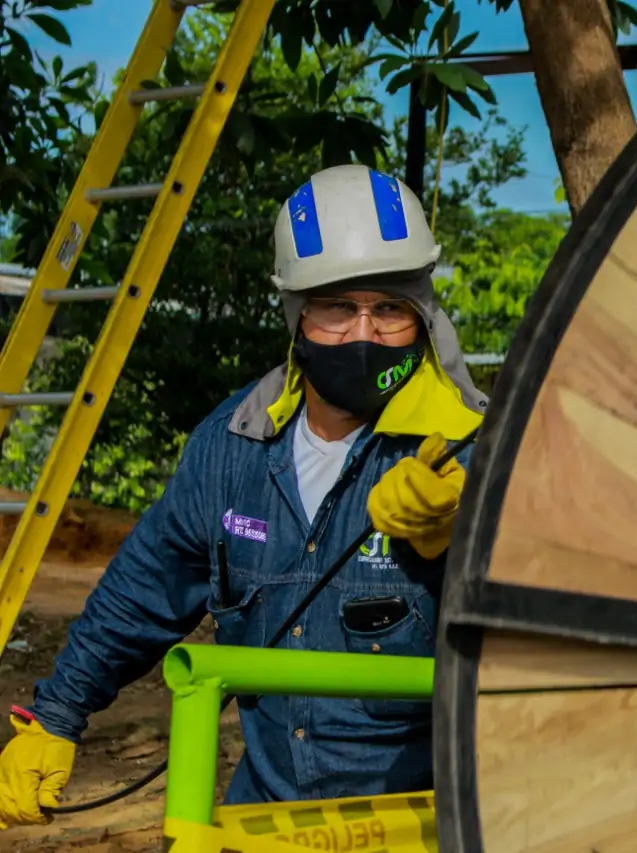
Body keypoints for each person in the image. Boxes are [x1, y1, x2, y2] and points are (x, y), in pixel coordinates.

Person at [0, 164, 488, 827]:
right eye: (337, 307)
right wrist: (56, 716)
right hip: (263, 816)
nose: (365, 333)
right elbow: (146, 585)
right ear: (295, 313)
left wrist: (471, 531)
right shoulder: (233, 445)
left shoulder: (474, 452)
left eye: (390, 308)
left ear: (423, 313)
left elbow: (552, 617)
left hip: (421, 822)